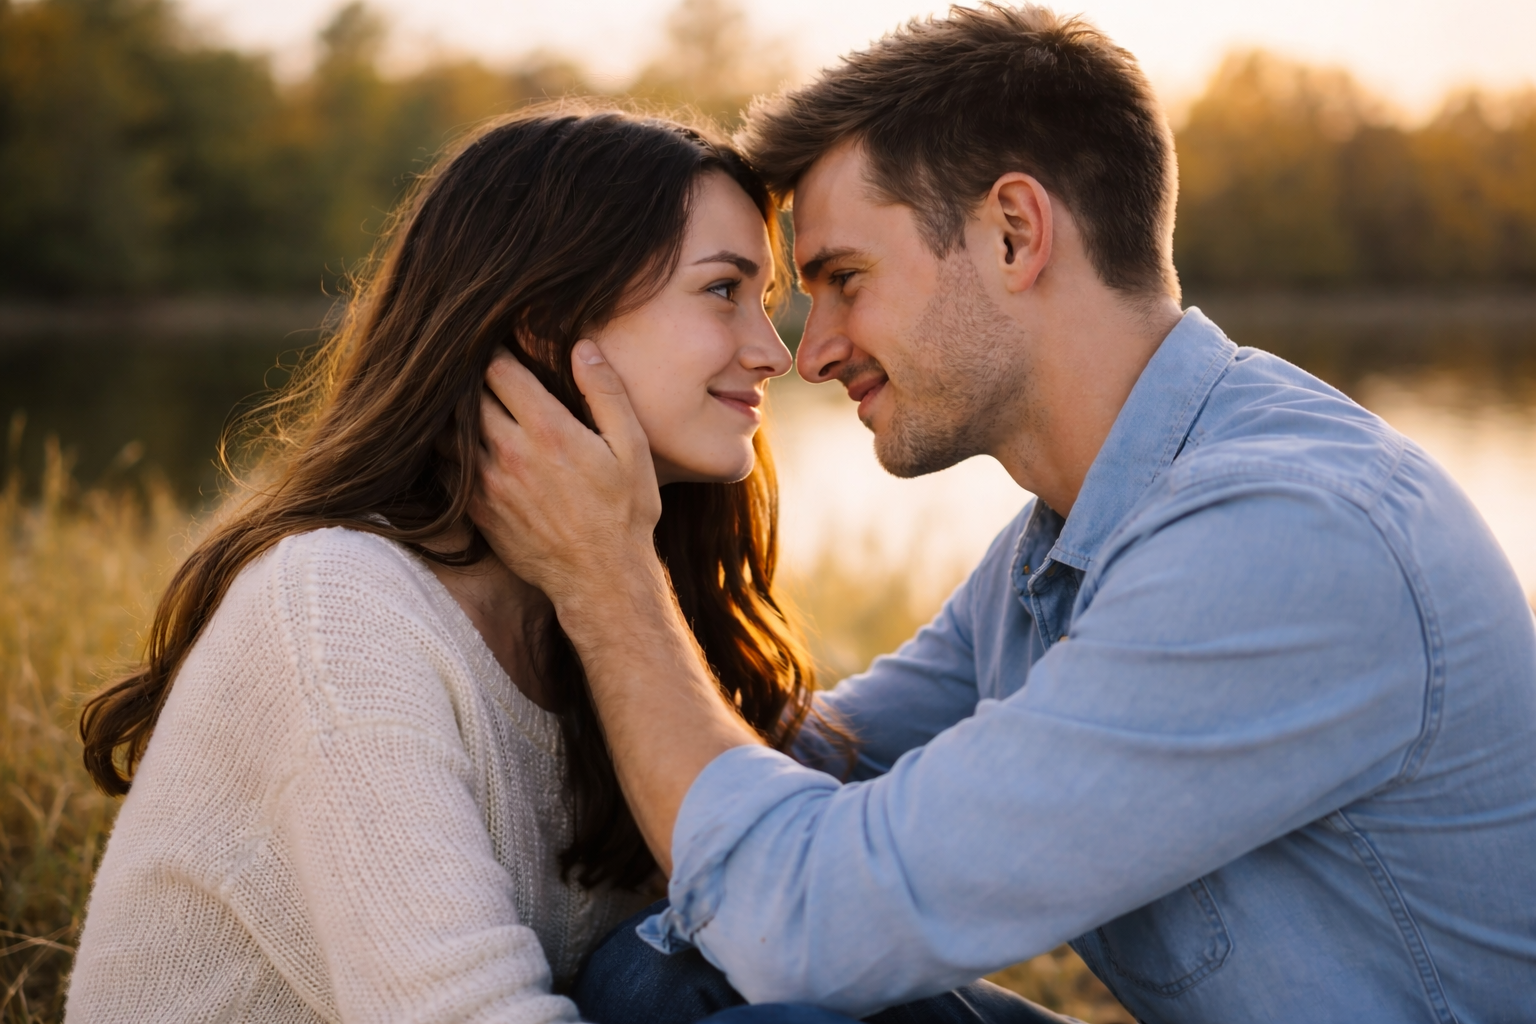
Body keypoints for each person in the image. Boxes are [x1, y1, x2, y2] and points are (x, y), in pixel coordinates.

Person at [469, 7, 1536, 1024]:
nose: (812, 352)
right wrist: (459, 675)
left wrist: (608, 575)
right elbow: (807, 763)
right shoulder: (1067, 546)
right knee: (661, 973)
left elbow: (801, 925)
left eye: (845, 278)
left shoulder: (1284, 539)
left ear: (1015, 234)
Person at [69, 107, 843, 1023]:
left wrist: (616, 577)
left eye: (765, 300)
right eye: (722, 291)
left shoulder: (608, 609)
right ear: (548, 324)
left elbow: (816, 874)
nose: (774, 353)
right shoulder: (339, 608)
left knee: (753, 965)